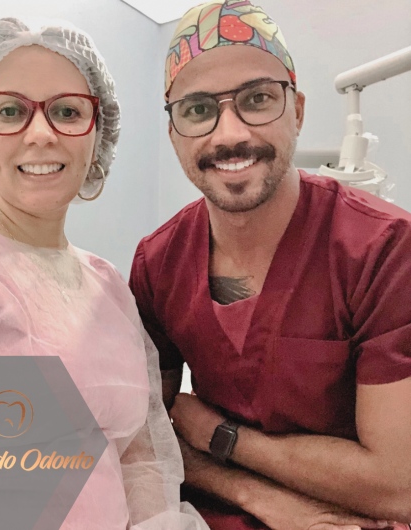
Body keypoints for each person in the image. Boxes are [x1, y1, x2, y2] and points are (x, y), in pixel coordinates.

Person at [0, 17, 209, 530]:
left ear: (97, 136)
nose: (40, 134)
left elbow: (139, 458)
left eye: (67, 111)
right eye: (10, 111)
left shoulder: (107, 287)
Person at [129, 2, 411, 529]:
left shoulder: (384, 250)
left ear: (297, 111)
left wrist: (222, 437)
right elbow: (151, 437)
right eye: (197, 109)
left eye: (257, 99)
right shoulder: (157, 262)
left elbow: (400, 485)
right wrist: (262, 498)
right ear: (173, 133)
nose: (228, 134)